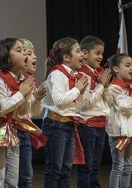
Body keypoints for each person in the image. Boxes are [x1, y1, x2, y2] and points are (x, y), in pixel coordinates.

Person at [0, 38, 37, 187]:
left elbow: (22, 111)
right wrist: (22, 94)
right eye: (19, 50)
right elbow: (1, 109)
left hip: (11, 130)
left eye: (25, 50)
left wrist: (29, 96)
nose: (25, 53)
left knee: (12, 180)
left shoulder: (21, 80)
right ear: (6, 57)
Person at [41, 37, 88, 188]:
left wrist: (82, 92)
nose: (82, 55)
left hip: (68, 125)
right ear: (66, 57)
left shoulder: (76, 76)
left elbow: (78, 105)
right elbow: (59, 101)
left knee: (66, 170)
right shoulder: (57, 73)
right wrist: (77, 89)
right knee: (54, 169)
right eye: (78, 51)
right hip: (55, 124)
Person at [106, 53, 132, 188]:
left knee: (129, 165)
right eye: (127, 65)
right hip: (120, 131)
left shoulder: (131, 87)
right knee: (118, 165)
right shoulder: (114, 88)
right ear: (116, 69)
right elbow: (125, 107)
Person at [76, 35, 112, 188]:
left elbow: (109, 101)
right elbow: (84, 104)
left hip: (100, 124)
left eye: (102, 53)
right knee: (86, 167)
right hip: (87, 125)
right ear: (84, 53)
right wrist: (100, 86)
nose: (100, 57)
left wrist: (104, 85)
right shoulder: (82, 74)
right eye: (97, 53)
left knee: (95, 166)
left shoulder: (99, 73)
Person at [18, 38, 47, 188]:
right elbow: (17, 108)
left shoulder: (30, 80)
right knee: (12, 177)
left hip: (25, 130)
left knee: (26, 176)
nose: (35, 57)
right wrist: (34, 97)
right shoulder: (15, 80)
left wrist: (38, 99)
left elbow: (35, 112)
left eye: (34, 53)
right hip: (12, 130)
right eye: (30, 53)